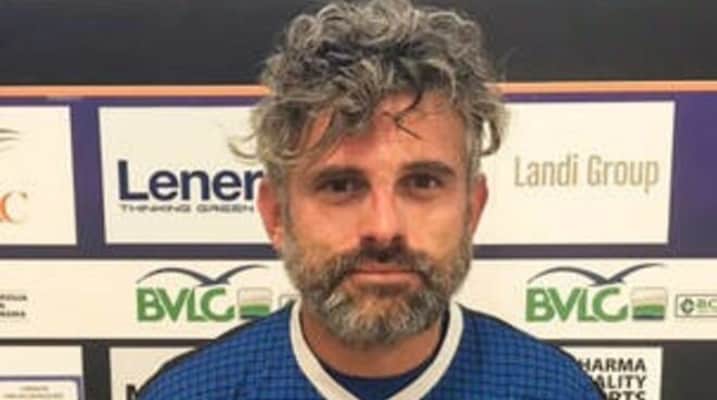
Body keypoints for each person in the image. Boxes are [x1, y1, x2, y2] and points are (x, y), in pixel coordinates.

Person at [139, 0, 605, 398]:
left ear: (472, 209)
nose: (384, 228)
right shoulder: (190, 393)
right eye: (341, 186)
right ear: (276, 213)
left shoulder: (555, 391)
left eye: (422, 183)